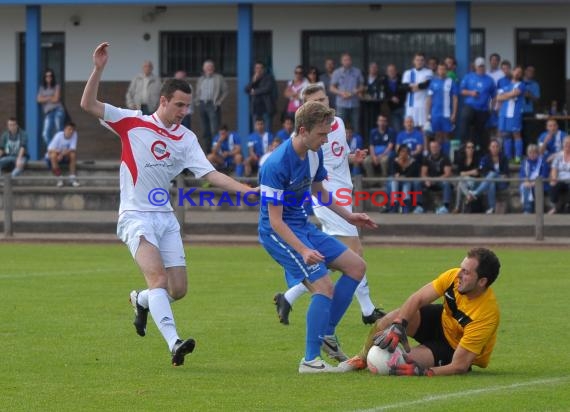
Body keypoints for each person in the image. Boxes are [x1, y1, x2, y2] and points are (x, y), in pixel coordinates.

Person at [80, 42, 255, 367]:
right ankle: (174, 342)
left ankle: (142, 301)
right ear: (162, 101)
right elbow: (87, 104)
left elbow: (210, 173)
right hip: (135, 216)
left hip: (165, 218)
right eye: (178, 105)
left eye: (187, 106)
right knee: (158, 279)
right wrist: (98, 69)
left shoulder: (186, 138)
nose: (184, 111)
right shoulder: (131, 122)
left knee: (177, 290)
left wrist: (244, 189)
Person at [258, 99, 377, 373]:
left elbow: (319, 192)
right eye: (322, 134)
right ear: (302, 130)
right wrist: (302, 249)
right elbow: (275, 221)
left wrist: (350, 216)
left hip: (302, 225)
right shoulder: (275, 164)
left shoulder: (314, 152)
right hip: (278, 234)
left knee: (357, 266)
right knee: (323, 287)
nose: (326, 140)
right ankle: (310, 360)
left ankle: (326, 334)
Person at [273, 85, 384, 328]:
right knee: (354, 253)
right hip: (327, 191)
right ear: (307, 108)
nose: (325, 104)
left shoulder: (339, 123)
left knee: (339, 255)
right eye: (318, 101)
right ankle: (367, 310)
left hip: (344, 188)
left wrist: (353, 157)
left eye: (325, 98)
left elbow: (338, 154)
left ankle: (289, 297)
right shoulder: (306, 134)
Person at [338, 247, 501, 377]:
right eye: (461, 268)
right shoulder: (453, 277)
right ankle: (361, 358)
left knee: (399, 364)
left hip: (455, 348)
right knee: (389, 320)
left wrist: (424, 372)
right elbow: (418, 299)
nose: (459, 273)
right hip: (442, 321)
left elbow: (460, 365)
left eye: (466, 272)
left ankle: (420, 361)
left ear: (482, 281)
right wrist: (398, 325)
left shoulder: (485, 315)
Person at [458, 57, 497, 152]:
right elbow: (461, 91)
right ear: (475, 67)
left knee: (480, 131)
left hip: (483, 109)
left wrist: (492, 107)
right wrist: (471, 93)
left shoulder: (490, 80)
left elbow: (494, 96)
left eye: (483, 66)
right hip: (470, 106)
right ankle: (463, 145)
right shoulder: (468, 77)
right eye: (479, 66)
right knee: (465, 119)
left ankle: (480, 151)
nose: (481, 68)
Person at [467, 139, 510, 214]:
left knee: (492, 174)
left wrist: (500, 175)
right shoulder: (485, 158)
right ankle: (492, 208)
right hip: (489, 181)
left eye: (497, 146)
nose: (495, 148)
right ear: (489, 148)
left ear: (499, 148)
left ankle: (476, 192)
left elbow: (506, 173)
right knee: (491, 183)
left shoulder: (503, 158)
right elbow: (482, 171)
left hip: (501, 182)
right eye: (493, 147)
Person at [194, 60, 229, 152]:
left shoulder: (219, 78)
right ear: (204, 68)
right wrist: (197, 101)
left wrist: (219, 101)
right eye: (207, 67)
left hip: (213, 105)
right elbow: (198, 91)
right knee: (205, 131)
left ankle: (216, 152)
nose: (209, 68)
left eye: (211, 67)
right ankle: (207, 153)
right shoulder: (201, 79)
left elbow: (225, 91)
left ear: (213, 68)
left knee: (215, 130)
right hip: (202, 104)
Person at [425, 62, 458, 158]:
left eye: (444, 69)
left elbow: (455, 99)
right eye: (440, 69)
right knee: (437, 136)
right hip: (435, 114)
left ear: (447, 71)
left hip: (447, 114)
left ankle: (446, 158)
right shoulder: (433, 82)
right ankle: (436, 158)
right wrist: (427, 114)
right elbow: (429, 99)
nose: (442, 71)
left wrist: (454, 114)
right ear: (437, 70)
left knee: (446, 136)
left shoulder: (451, 82)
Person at [330, 53, 365, 134]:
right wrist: (341, 93)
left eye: (349, 60)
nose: (347, 61)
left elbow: (362, 86)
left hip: (354, 103)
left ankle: (356, 144)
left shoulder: (357, 71)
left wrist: (356, 91)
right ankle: (340, 145)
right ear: (341, 62)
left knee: (356, 126)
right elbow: (332, 88)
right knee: (339, 126)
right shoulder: (337, 72)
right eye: (345, 60)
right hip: (341, 103)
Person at [497, 65, 526, 163]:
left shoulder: (521, 85)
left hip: (515, 113)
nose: (517, 73)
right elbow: (497, 98)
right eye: (516, 71)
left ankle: (518, 157)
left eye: (520, 72)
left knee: (516, 134)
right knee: (505, 135)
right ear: (513, 72)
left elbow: (515, 94)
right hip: (504, 113)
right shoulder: (506, 84)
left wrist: (505, 95)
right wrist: (510, 95)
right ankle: (508, 158)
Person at [420, 139, 453, 214]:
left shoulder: (445, 158)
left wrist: (435, 180)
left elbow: (447, 174)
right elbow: (423, 174)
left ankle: (446, 207)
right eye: (432, 147)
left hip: (440, 181)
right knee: (417, 183)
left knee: (446, 183)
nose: (434, 149)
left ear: (439, 147)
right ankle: (419, 206)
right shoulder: (426, 158)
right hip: (430, 182)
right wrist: (427, 180)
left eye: (435, 147)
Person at [402, 52, 433, 131]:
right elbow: (405, 87)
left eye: (421, 60)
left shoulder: (429, 72)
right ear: (413, 61)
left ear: (424, 62)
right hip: (411, 105)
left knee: (424, 128)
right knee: (410, 126)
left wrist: (413, 86)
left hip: (423, 105)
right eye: (417, 60)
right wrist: (420, 86)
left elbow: (426, 84)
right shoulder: (408, 73)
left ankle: (423, 143)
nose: (419, 62)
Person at [389, 144, 422, 214]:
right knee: (394, 181)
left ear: (408, 153)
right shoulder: (395, 161)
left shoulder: (413, 162)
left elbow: (410, 174)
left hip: (409, 180)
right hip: (398, 181)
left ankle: (405, 204)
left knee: (407, 181)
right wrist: (397, 175)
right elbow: (393, 172)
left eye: (406, 152)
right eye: (402, 151)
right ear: (399, 152)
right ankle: (395, 203)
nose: (403, 153)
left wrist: (401, 176)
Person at [245, 61, 277, 133]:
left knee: (267, 129)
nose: (258, 70)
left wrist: (255, 92)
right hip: (255, 108)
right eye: (257, 68)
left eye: (260, 68)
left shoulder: (269, 77)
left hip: (266, 107)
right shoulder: (253, 78)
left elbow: (267, 89)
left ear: (263, 69)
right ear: (254, 69)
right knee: (256, 129)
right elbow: (246, 89)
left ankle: (268, 144)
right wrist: (253, 81)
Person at [46, 122, 80, 188]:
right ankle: (59, 178)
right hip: (53, 157)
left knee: (73, 155)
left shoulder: (74, 134)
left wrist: (61, 154)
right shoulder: (58, 136)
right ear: (64, 129)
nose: (71, 131)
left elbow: (72, 149)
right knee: (53, 155)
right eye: (69, 129)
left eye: (73, 129)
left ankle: (72, 178)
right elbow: (50, 149)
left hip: (64, 156)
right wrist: (59, 153)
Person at [37, 68, 66, 146]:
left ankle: (60, 150)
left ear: (52, 77)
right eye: (47, 76)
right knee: (45, 134)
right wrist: (50, 97)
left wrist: (45, 97)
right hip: (48, 113)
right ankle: (52, 150)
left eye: (50, 76)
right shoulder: (42, 87)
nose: (48, 77)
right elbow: (39, 99)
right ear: (45, 77)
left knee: (59, 131)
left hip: (58, 110)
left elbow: (56, 99)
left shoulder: (56, 86)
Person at [519, 144, 548, 214]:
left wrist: (534, 183)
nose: (532, 154)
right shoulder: (525, 162)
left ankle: (530, 210)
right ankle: (527, 209)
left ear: (537, 153)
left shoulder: (542, 162)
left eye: (534, 152)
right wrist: (526, 182)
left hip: (540, 183)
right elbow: (522, 174)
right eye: (530, 153)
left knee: (533, 187)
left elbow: (544, 174)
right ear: (528, 154)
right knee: (524, 186)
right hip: (529, 183)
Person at [452, 140, 480, 213]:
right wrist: (470, 173)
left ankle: (457, 208)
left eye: (472, 147)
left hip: (474, 182)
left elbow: (476, 173)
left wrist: (465, 173)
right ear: (465, 149)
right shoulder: (461, 158)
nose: (470, 149)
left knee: (460, 183)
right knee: (460, 183)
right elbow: (460, 173)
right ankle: (469, 196)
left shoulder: (477, 158)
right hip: (464, 182)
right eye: (468, 147)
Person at [380, 64, 406, 133]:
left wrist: (399, 99)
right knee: (396, 128)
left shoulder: (402, 80)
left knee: (405, 126)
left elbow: (406, 91)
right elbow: (383, 94)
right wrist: (391, 98)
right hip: (392, 109)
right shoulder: (384, 82)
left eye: (393, 70)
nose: (391, 72)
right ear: (387, 72)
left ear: (396, 71)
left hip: (403, 107)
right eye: (389, 71)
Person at [548, 136, 570, 214]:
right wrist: (554, 178)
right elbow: (554, 169)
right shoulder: (558, 156)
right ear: (563, 145)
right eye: (566, 143)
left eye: (569, 144)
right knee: (554, 184)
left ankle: (566, 207)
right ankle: (554, 207)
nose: (568, 145)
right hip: (560, 179)